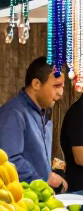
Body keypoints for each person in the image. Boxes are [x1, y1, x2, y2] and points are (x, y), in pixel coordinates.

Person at [0, 57, 66, 189]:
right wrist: (43, 180)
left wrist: (48, 175)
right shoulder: (13, 113)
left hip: (38, 196)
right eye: (56, 86)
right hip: (19, 201)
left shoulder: (43, 112)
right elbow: (9, 160)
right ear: (36, 84)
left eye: (62, 86)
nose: (61, 93)